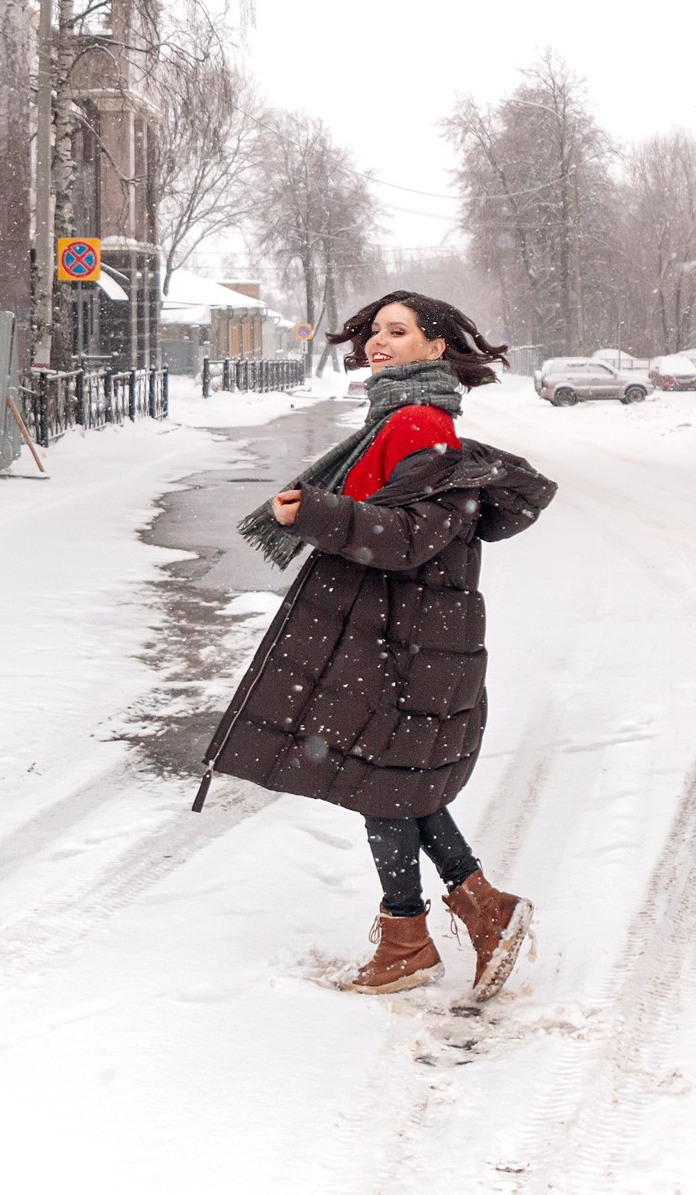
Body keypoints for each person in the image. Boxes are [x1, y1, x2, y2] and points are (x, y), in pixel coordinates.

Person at [194, 291, 557, 998]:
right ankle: (468, 915)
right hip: (398, 632)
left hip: (406, 637)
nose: (378, 343)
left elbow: (413, 536)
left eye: (398, 331)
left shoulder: (420, 424)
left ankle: (412, 934)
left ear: (435, 346)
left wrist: (320, 512)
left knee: (387, 786)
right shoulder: (396, 419)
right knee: (396, 782)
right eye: (373, 332)